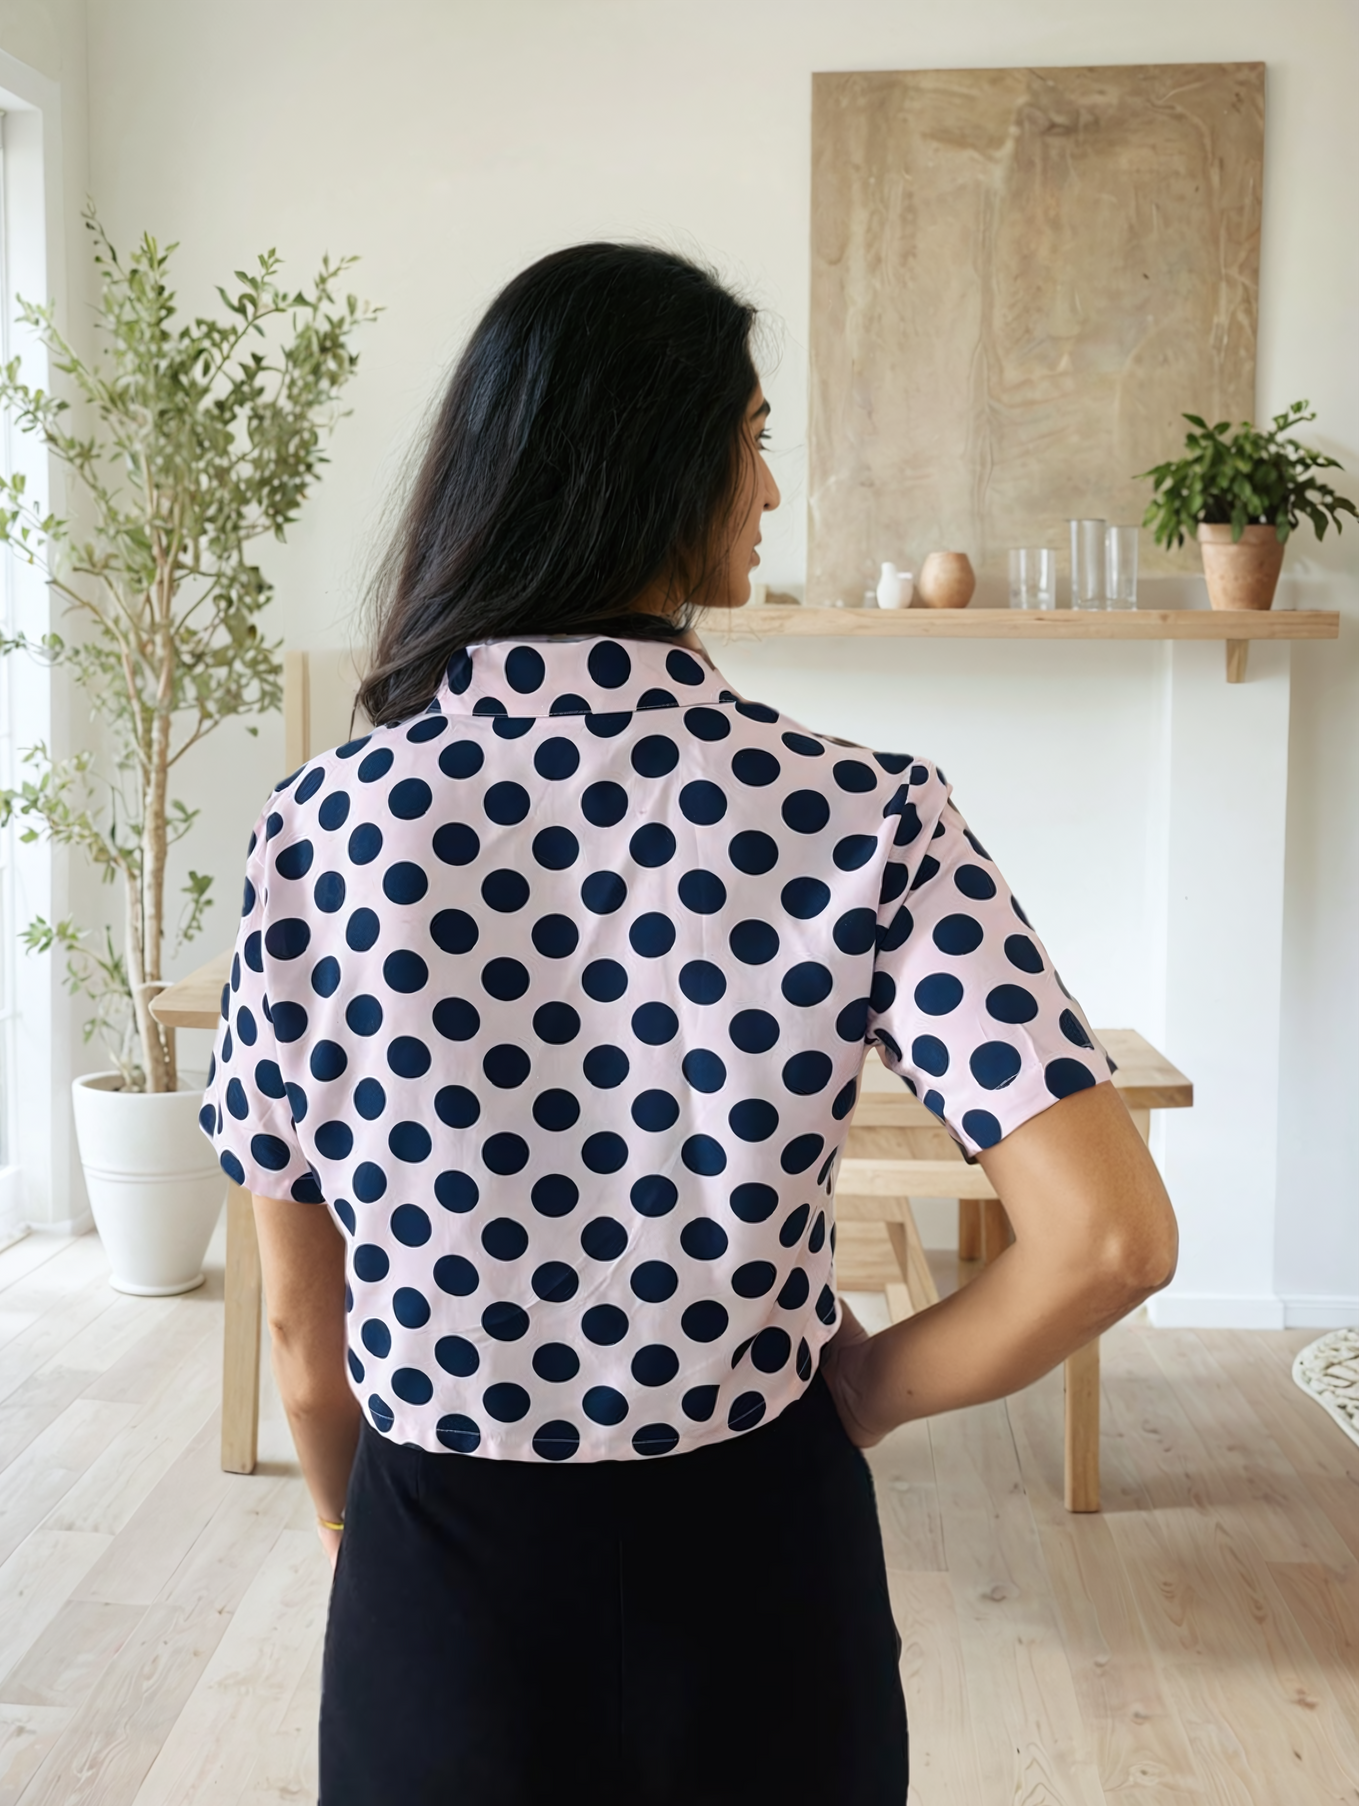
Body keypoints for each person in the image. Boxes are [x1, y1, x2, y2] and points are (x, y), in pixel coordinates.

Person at [201, 243, 1178, 1806]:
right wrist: (860, 1391)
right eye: (752, 435)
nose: (773, 489)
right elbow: (1113, 1238)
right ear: (654, 460)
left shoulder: (322, 827)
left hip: (443, 1582)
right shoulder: (868, 814)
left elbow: (307, 1346)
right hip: (760, 1567)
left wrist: (349, 1530)